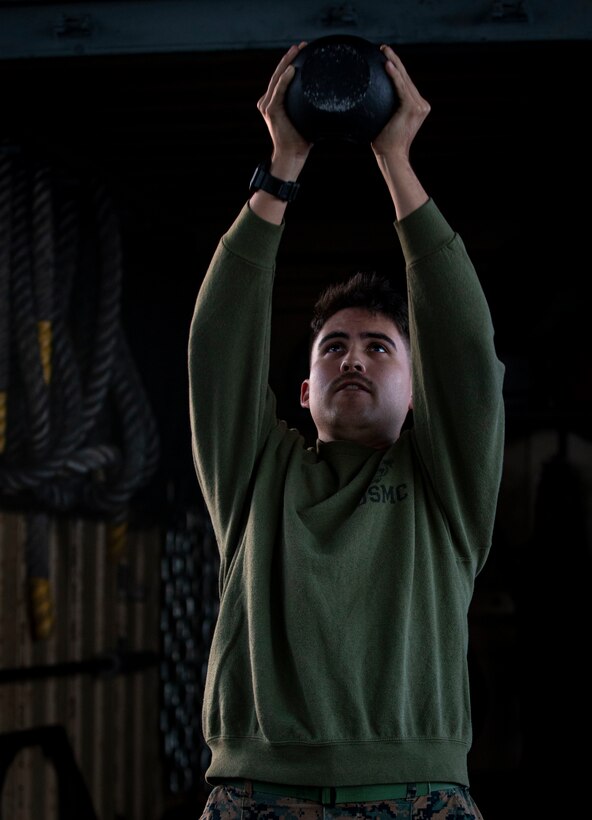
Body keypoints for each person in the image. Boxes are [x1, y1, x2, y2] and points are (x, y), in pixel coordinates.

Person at [189, 41, 505, 820]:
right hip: (255, 793)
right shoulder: (257, 475)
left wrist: (395, 160)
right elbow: (217, 347)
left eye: (378, 347)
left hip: (419, 794)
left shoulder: (447, 488)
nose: (353, 359)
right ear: (305, 389)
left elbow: (466, 353)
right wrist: (280, 170)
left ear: (416, 388)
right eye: (333, 347)